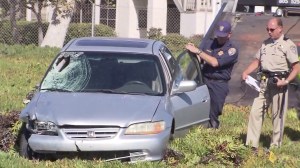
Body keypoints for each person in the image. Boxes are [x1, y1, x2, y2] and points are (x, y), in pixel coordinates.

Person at [242, 18, 300, 150]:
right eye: (267, 29)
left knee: (277, 115)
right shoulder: (265, 43)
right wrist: (246, 72)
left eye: (272, 29)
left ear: (280, 28)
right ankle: (251, 145)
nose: (269, 32)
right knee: (255, 112)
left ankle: (275, 147)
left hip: (279, 82)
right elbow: (257, 61)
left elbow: (296, 67)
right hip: (264, 82)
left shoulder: (288, 45)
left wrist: (285, 81)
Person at [185, 20, 239, 128]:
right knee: (196, 110)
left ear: (229, 35)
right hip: (203, 80)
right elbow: (200, 59)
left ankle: (212, 135)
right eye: (218, 35)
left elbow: (214, 62)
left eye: (223, 36)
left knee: (213, 115)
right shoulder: (209, 43)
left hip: (218, 85)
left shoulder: (232, 49)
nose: (220, 38)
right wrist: (192, 50)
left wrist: (198, 51)